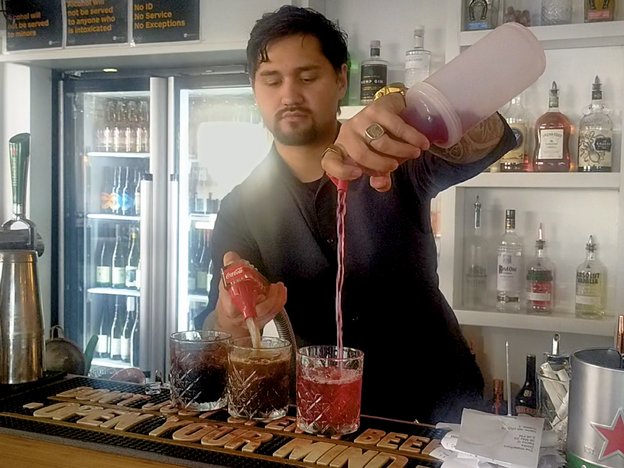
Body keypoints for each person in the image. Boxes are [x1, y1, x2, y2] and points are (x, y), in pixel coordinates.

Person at [196, 5, 515, 423]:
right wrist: (228, 318)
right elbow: (212, 330)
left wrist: (417, 110)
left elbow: (485, 133)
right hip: (318, 416)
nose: (289, 95)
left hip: (436, 407)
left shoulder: (394, 154)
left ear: (341, 79)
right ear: (254, 90)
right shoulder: (240, 207)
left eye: (307, 77)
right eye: (272, 80)